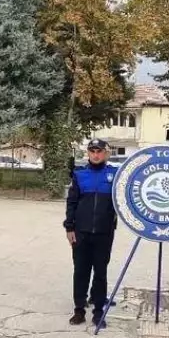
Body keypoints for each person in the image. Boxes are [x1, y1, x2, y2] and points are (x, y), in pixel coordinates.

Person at [64, 138, 118, 327]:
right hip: (81, 233)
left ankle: (98, 312)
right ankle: (79, 310)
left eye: (99, 151)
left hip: (104, 233)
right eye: (92, 151)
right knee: (80, 271)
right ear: (88, 153)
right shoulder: (79, 175)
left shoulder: (115, 175)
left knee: (100, 272)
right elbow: (71, 203)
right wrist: (69, 227)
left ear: (106, 154)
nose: (96, 155)